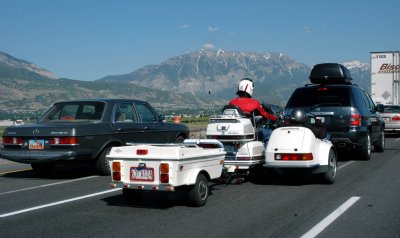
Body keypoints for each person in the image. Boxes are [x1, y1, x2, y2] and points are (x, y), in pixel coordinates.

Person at [229, 78, 278, 143]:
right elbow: (265, 115)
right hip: (250, 131)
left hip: (233, 130)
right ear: (250, 89)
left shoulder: (232, 102)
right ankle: (267, 152)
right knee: (269, 134)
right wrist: (276, 118)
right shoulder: (254, 103)